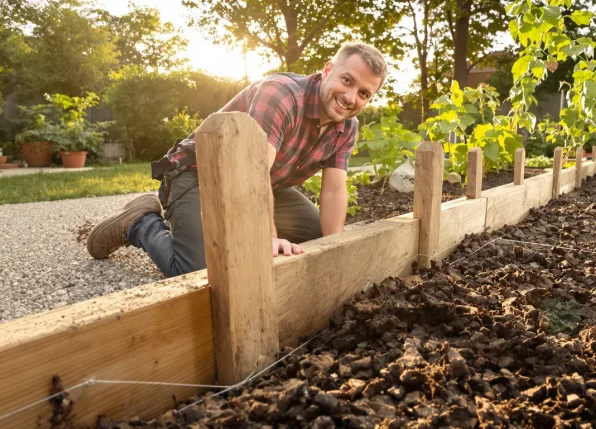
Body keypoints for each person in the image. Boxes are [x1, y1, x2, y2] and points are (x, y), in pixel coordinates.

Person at [86, 42, 387, 278]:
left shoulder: (347, 127)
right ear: (327, 70)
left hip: (265, 184)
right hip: (199, 175)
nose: (351, 97)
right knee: (199, 272)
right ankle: (141, 223)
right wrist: (267, 238)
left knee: (317, 241)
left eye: (364, 93)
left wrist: (334, 247)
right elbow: (252, 172)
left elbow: (334, 189)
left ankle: (243, 238)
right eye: (346, 80)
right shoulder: (281, 94)